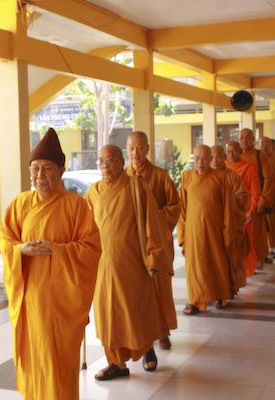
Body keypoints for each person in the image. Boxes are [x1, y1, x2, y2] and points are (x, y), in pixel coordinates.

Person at [0, 127, 101, 400]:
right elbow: (6, 241)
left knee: (59, 364)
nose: (40, 175)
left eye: (47, 169)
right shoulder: (20, 204)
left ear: (61, 170)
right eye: (35, 169)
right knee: (35, 360)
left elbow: (91, 248)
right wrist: (21, 250)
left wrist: (58, 250)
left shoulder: (76, 206)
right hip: (31, 299)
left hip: (62, 304)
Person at [86, 144, 170, 380]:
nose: (105, 165)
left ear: (121, 162)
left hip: (132, 262)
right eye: (101, 161)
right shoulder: (93, 192)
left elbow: (152, 222)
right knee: (107, 316)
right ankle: (116, 363)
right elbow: (85, 229)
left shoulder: (136, 186)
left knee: (135, 311)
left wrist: (154, 255)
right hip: (103, 266)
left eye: (111, 159)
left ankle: (147, 348)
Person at [125, 131, 180, 351]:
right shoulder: (122, 178)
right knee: (135, 290)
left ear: (148, 149)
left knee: (159, 289)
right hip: (132, 246)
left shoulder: (160, 176)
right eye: (131, 148)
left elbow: (174, 207)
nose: (135, 153)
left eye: (140, 148)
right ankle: (141, 334)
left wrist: (152, 219)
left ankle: (163, 331)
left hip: (156, 244)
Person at [178, 145, 234, 314]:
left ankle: (220, 295)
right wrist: (182, 233)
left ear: (210, 159)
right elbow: (182, 208)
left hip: (214, 230)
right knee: (194, 267)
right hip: (193, 232)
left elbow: (228, 207)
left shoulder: (220, 178)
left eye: (204, 159)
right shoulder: (187, 177)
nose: (200, 163)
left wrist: (227, 231)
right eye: (197, 159)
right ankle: (194, 301)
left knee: (216, 264)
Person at [211, 145, 249, 297]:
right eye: (212, 157)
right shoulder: (203, 177)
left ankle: (232, 286)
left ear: (224, 157)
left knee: (232, 257)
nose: (215, 160)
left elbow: (243, 196)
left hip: (231, 224)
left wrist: (226, 203)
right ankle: (215, 289)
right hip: (212, 227)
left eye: (219, 156)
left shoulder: (232, 176)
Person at [239, 128, 275, 269]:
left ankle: (258, 259)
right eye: (242, 137)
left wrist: (262, 199)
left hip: (256, 199)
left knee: (257, 233)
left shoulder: (259, 156)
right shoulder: (236, 155)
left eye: (248, 137)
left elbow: (269, 179)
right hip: (240, 202)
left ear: (253, 139)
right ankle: (244, 261)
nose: (244, 140)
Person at [225, 141, 261, 277]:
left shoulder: (249, 167)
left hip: (244, 211)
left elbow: (255, 191)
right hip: (227, 211)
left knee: (246, 241)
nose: (231, 154)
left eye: (234, 150)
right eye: (228, 151)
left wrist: (251, 210)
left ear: (240, 152)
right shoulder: (222, 167)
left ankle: (247, 269)